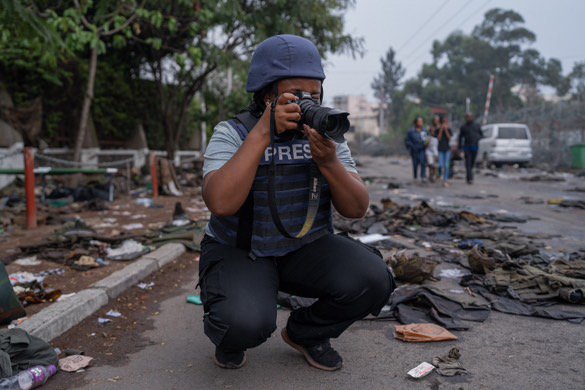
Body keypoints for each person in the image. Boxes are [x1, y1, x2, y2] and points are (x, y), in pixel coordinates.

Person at [199, 35, 394, 372]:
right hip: (242, 250)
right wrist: (262, 134)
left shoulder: (324, 137)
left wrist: (330, 163)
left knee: (373, 278)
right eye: (296, 96)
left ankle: (307, 332)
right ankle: (230, 334)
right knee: (243, 322)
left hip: (303, 249)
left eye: (314, 96)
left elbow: (356, 208)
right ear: (266, 95)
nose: (307, 103)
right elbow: (220, 202)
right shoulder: (233, 132)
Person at [458, 113, 483, 184]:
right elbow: (460, 137)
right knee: (468, 162)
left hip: (475, 147)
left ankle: (469, 175)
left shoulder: (477, 126)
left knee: (472, 162)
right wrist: (460, 147)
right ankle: (470, 178)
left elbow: (481, 135)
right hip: (467, 147)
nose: (469, 118)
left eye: (471, 117)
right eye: (468, 117)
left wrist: (478, 138)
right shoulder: (463, 127)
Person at [405, 117, 427, 181]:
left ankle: (423, 176)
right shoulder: (411, 131)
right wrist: (411, 146)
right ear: (416, 123)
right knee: (415, 163)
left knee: (423, 162)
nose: (421, 123)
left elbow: (427, 138)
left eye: (422, 122)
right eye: (419, 122)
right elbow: (407, 140)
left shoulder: (425, 131)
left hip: (422, 148)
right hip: (414, 149)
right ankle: (415, 176)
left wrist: (427, 143)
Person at [437, 116, 453, 186]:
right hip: (440, 148)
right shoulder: (438, 129)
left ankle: (445, 179)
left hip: (447, 149)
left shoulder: (449, 129)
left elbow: (449, 138)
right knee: (440, 165)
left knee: (446, 165)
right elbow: (438, 138)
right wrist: (441, 130)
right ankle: (440, 175)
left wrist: (446, 130)